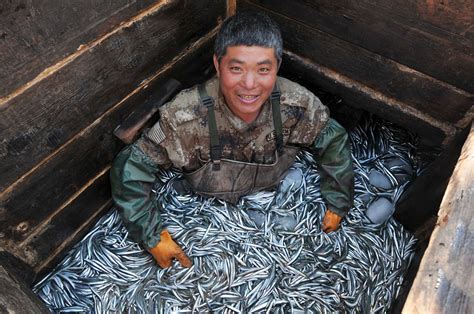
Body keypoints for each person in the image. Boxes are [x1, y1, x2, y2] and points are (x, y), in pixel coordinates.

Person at [110, 11, 354, 269]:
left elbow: (333, 139)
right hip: (204, 215)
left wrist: (338, 201)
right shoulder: (184, 116)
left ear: (277, 67)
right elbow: (131, 167)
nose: (249, 84)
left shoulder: (297, 104)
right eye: (236, 68)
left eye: (263, 69)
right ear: (218, 65)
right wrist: (152, 237)